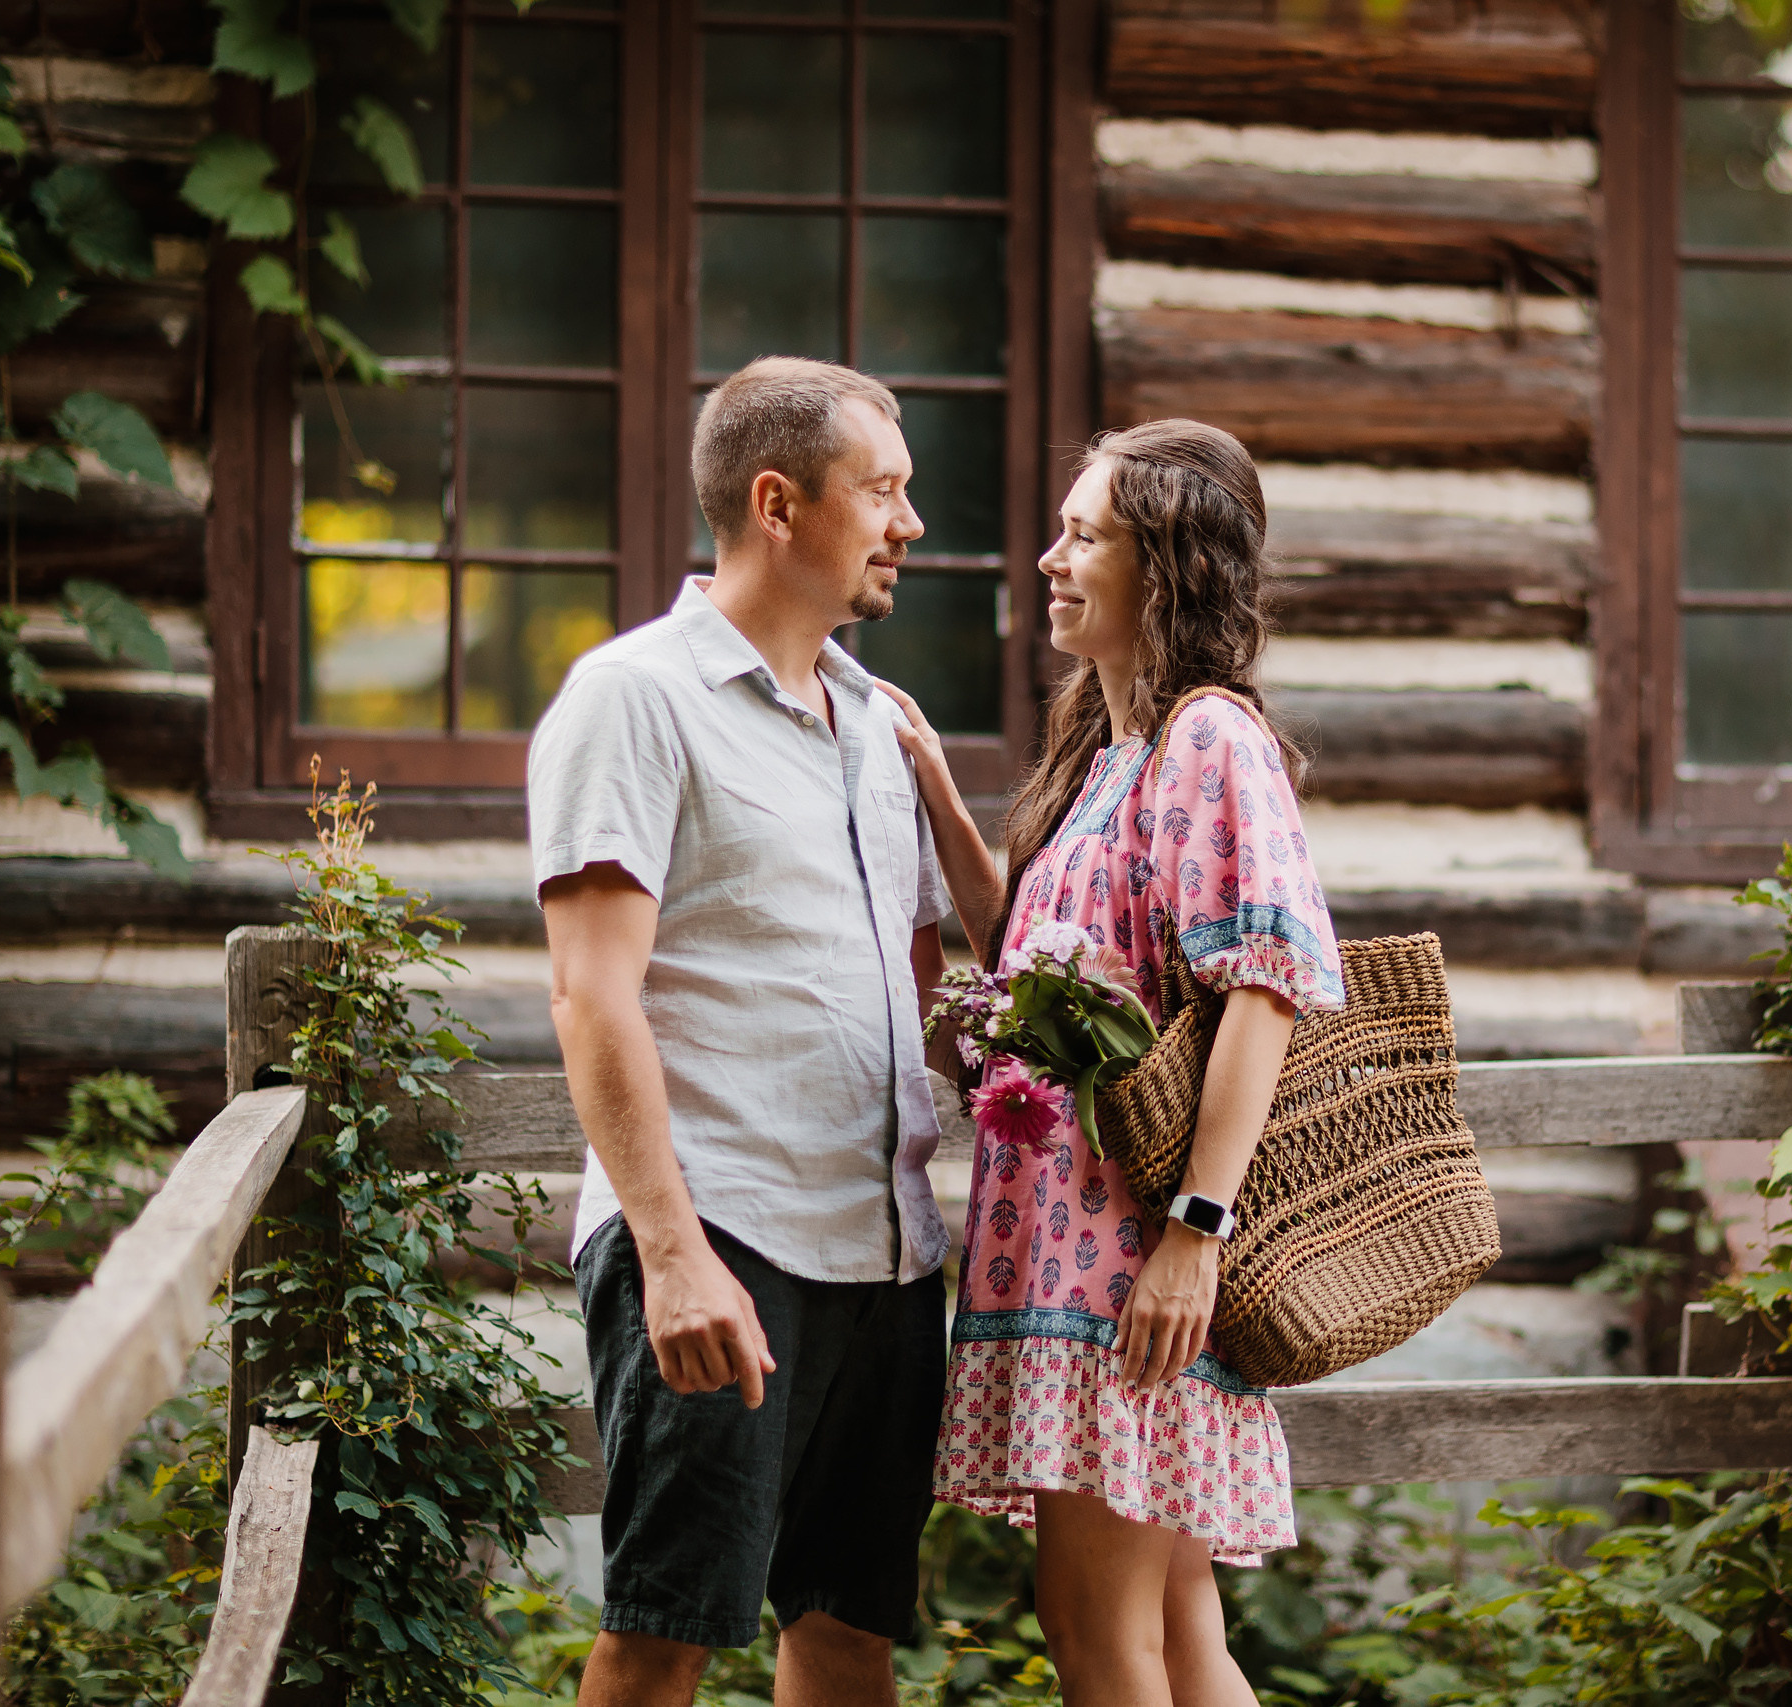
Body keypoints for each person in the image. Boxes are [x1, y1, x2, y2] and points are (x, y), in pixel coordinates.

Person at [883, 418, 1345, 1707]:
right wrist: (931, 776)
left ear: (1171, 564)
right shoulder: (1108, 756)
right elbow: (1020, 963)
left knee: (1098, 1639)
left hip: (1131, 1265)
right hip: (1081, 1259)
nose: (1048, 558)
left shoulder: (1211, 741)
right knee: (1180, 1632)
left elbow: (1267, 983)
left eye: (1085, 534)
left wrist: (1197, 1231)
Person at [527, 356, 954, 1707]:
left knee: (846, 1631)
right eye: (883, 491)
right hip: (725, 1240)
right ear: (779, 503)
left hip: (883, 1256)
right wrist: (672, 1254)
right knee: (666, 1632)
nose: (911, 523)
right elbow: (592, 994)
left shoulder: (878, 725)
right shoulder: (632, 698)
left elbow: (924, 971)